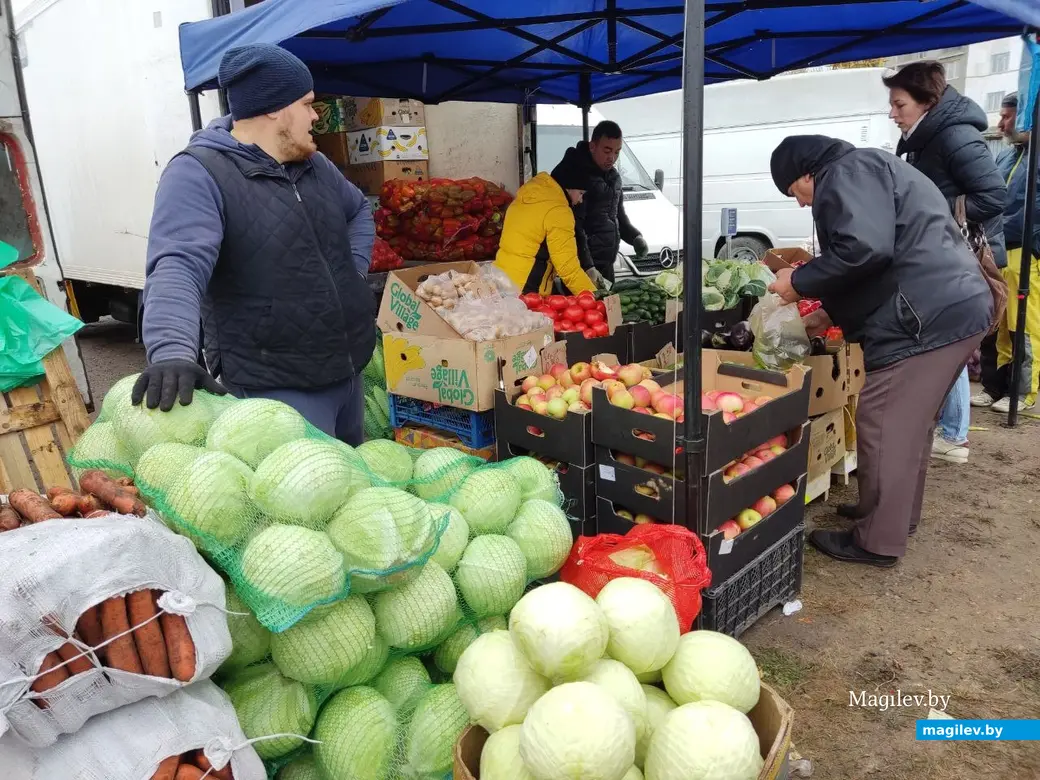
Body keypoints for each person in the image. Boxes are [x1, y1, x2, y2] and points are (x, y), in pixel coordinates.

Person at [132, 43, 377, 446]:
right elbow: (177, 265)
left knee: (357, 497)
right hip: (278, 387)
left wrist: (352, 272)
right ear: (275, 108)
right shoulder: (199, 172)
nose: (316, 116)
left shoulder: (315, 165)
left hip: (346, 374)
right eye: (308, 104)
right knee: (307, 503)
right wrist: (172, 351)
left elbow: (358, 213)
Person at [768, 135, 992, 567]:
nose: (799, 205)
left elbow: (865, 249)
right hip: (950, 306)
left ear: (807, 172)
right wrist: (828, 311)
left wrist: (797, 282)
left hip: (925, 315)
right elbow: (878, 258)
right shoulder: (871, 169)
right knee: (910, 425)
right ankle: (891, 515)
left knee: (882, 419)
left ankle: (877, 541)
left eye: (794, 192)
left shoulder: (848, 172)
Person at [883, 61, 1007, 463]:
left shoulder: (954, 136)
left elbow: (993, 196)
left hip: (958, 259)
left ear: (927, 102)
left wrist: (936, 211)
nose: (893, 113)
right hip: (942, 256)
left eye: (900, 105)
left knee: (944, 343)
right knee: (944, 342)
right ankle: (951, 431)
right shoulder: (926, 136)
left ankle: (953, 434)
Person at [974, 92, 1040, 413]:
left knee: (1023, 326)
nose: (1001, 124)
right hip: (997, 250)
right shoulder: (1007, 156)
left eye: (1008, 116)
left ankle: (1022, 392)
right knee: (995, 321)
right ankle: (994, 386)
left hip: (1027, 253)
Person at [551, 121, 648, 283]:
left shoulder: (613, 177)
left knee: (609, 307)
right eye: (607, 151)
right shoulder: (573, 174)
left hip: (606, 265)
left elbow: (617, 215)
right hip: (577, 268)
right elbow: (573, 226)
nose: (612, 158)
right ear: (592, 146)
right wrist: (588, 266)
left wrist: (634, 237)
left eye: (617, 152)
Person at [492, 168, 598, 296]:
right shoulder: (559, 212)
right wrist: (594, 296)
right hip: (526, 287)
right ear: (568, 188)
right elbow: (567, 267)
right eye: (580, 193)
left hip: (501, 277)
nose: (580, 200)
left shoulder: (525, 197)